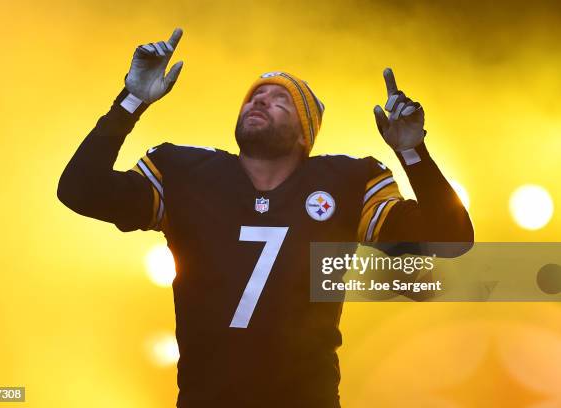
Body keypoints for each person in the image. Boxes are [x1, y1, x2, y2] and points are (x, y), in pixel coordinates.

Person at [57, 27, 473, 408]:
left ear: (304, 133)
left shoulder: (348, 181)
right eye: (256, 96)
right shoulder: (183, 172)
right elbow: (78, 190)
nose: (260, 100)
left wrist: (412, 153)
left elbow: (451, 240)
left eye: (281, 100)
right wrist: (130, 102)